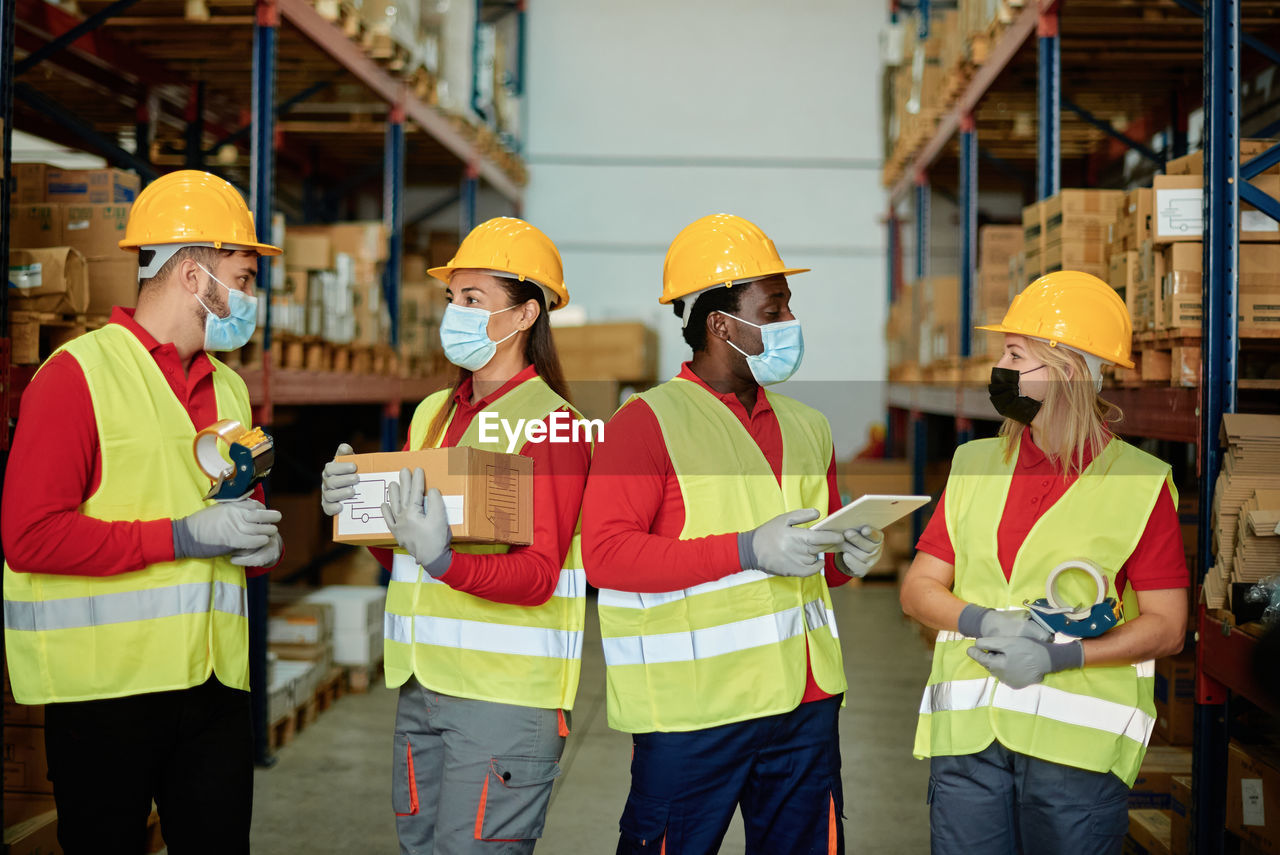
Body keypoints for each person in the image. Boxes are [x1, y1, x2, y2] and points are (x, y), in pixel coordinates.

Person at [582, 213, 885, 854]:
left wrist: (847, 559)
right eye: (773, 310)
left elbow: (816, 559)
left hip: (805, 704)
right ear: (720, 324)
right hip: (695, 715)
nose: (789, 325)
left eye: (788, 308)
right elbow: (606, 557)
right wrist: (747, 548)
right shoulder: (644, 423)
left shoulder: (809, 426)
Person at [1, 170, 284, 855]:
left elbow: (236, 507)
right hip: (108, 691)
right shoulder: (75, 377)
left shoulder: (232, 390)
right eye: (243, 277)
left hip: (215, 686)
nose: (253, 298)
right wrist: (183, 535)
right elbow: (29, 536)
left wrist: (254, 546)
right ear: (193, 275)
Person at [319, 217, 590, 853]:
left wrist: (442, 558)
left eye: (474, 301)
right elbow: (407, 557)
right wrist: (356, 513)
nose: (456, 314)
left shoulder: (555, 425)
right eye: (452, 299)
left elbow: (537, 575)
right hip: (423, 687)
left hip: (504, 701)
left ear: (525, 316)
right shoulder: (433, 414)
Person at [899, 271, 1189, 854]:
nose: (999, 368)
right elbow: (919, 588)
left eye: (1014, 354)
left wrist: (1061, 656)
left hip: (1074, 757)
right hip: (969, 742)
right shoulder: (976, 462)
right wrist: (987, 622)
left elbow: (1168, 626)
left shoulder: (1139, 484)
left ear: (1068, 371)